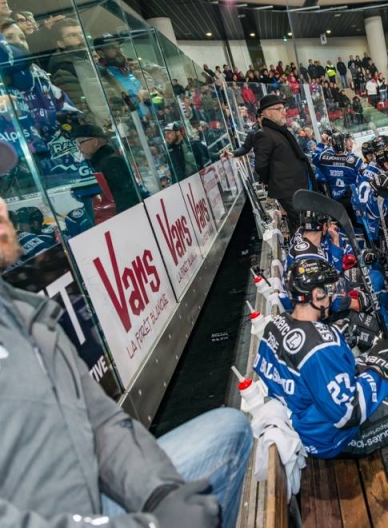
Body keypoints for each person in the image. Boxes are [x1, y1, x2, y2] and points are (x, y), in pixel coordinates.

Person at [0, 139, 252, 528]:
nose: (3, 208)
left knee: (228, 432)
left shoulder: (21, 312)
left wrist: (161, 494)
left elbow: (101, 423)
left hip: (87, 495)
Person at [254, 258, 388, 478]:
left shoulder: (277, 324)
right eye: (328, 290)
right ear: (316, 295)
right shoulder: (320, 346)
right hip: (334, 438)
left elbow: (310, 381)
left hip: (310, 420)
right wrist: (379, 372)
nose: (332, 296)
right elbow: (349, 413)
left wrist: (374, 363)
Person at [252, 94, 316, 234]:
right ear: (268, 112)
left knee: (302, 224)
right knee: (303, 225)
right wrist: (276, 181)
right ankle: (303, 253)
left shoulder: (280, 131)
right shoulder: (263, 134)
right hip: (288, 190)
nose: (284, 112)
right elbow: (261, 166)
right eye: (279, 109)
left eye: (284, 108)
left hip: (297, 187)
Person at [74, 124, 140, 214]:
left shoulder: (112, 162)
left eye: (80, 143)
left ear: (95, 141)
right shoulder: (96, 163)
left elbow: (126, 199)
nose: (78, 147)